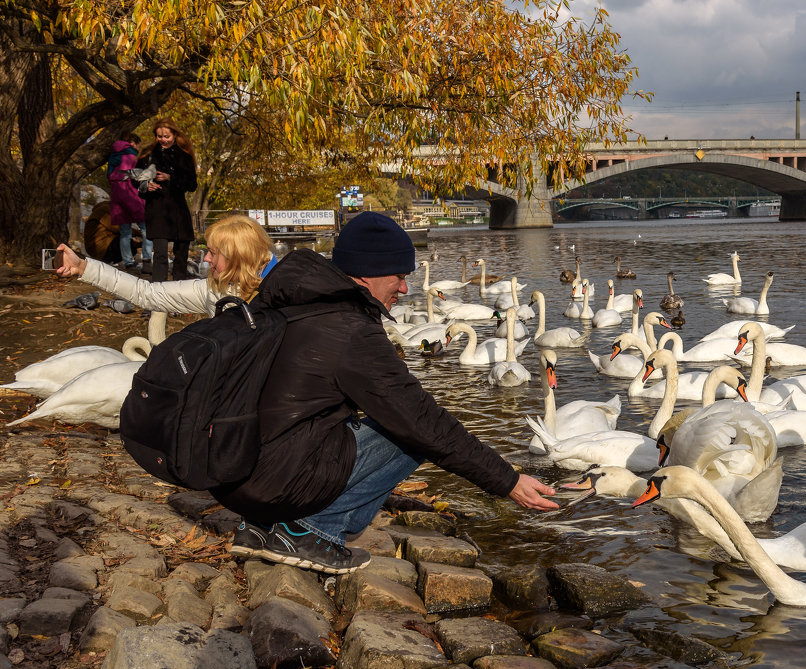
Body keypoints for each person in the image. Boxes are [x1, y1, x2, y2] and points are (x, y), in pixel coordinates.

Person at [219, 211, 558, 574]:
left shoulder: (280, 300)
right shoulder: (350, 329)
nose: (404, 289)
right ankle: (309, 531)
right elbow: (425, 423)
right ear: (369, 272)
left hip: (233, 474)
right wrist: (506, 480)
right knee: (416, 433)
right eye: (399, 276)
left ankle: (258, 528)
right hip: (272, 479)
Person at [54, 212, 274, 316]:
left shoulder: (284, 294)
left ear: (236, 257)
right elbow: (146, 293)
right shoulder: (213, 290)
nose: (206, 259)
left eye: (212, 253)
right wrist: (83, 267)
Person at [138, 118, 197, 282]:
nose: (163, 140)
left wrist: (171, 177)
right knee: (160, 254)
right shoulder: (147, 156)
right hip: (157, 210)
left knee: (181, 254)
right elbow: (136, 182)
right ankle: (158, 294)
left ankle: (178, 293)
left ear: (174, 135)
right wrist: (146, 186)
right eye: (159, 136)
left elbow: (192, 184)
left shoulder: (184, 156)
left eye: (166, 136)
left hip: (178, 210)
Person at [107, 132, 152, 270]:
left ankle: (128, 262)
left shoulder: (113, 155)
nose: (138, 148)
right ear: (133, 143)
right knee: (146, 228)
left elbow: (109, 175)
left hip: (117, 197)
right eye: (138, 144)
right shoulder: (131, 155)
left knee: (125, 232)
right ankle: (146, 258)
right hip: (132, 195)